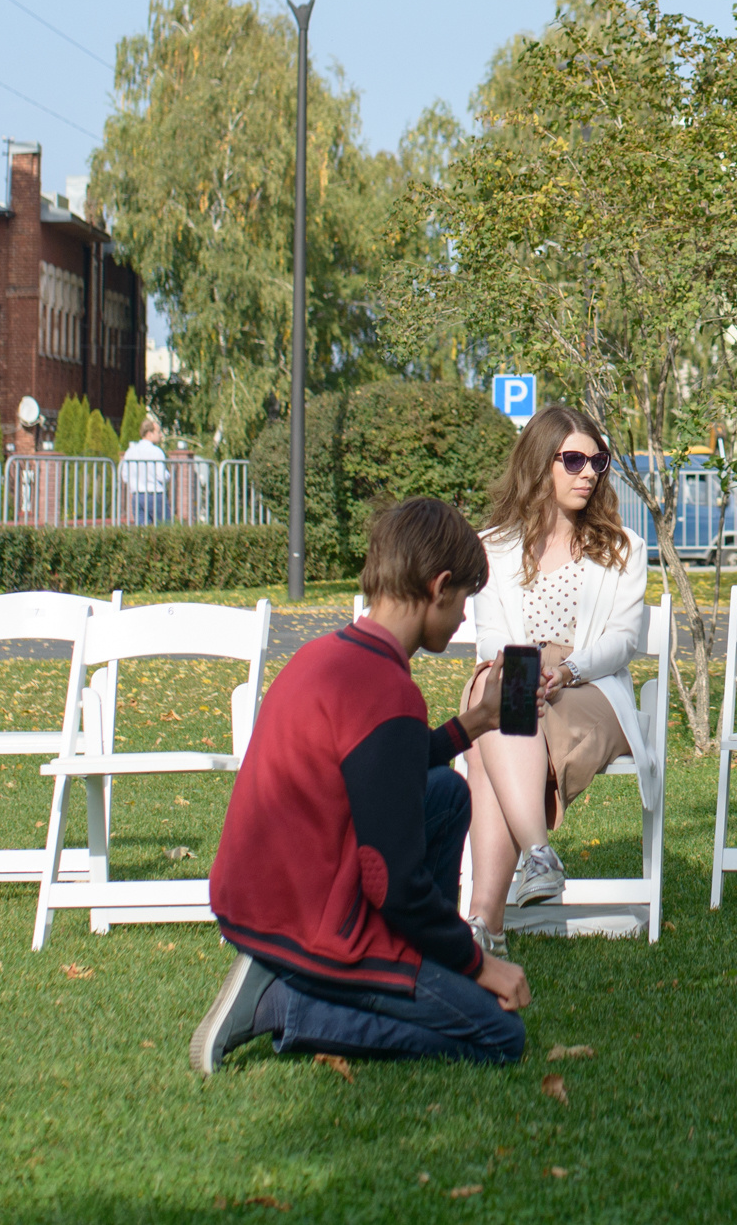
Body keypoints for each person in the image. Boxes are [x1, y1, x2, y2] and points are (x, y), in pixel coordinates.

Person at [193, 498, 534, 1073]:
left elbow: (385, 766)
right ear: (439, 586)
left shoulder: (325, 657)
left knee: (447, 796)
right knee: (500, 1036)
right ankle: (285, 1004)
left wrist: (472, 725)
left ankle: (386, 967)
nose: (461, 622)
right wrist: (477, 962)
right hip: (306, 925)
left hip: (258, 898)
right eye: (464, 603)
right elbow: (392, 881)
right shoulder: (387, 692)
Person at [459, 405, 649, 959]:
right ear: (539, 464)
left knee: (486, 729)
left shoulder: (623, 549)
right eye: (573, 460)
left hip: (592, 686)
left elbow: (621, 641)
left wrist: (564, 670)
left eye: (597, 461)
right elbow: (491, 640)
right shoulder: (492, 546)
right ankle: (518, 883)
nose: (588, 472)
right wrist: (528, 671)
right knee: (496, 696)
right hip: (519, 673)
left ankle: (487, 917)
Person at [119, 417, 169, 525]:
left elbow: (125, 476)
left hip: (137, 496)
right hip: (155, 495)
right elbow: (161, 476)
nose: (160, 435)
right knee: (165, 530)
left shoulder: (130, 452)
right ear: (149, 433)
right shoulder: (156, 451)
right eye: (158, 432)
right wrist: (168, 475)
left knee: (143, 533)